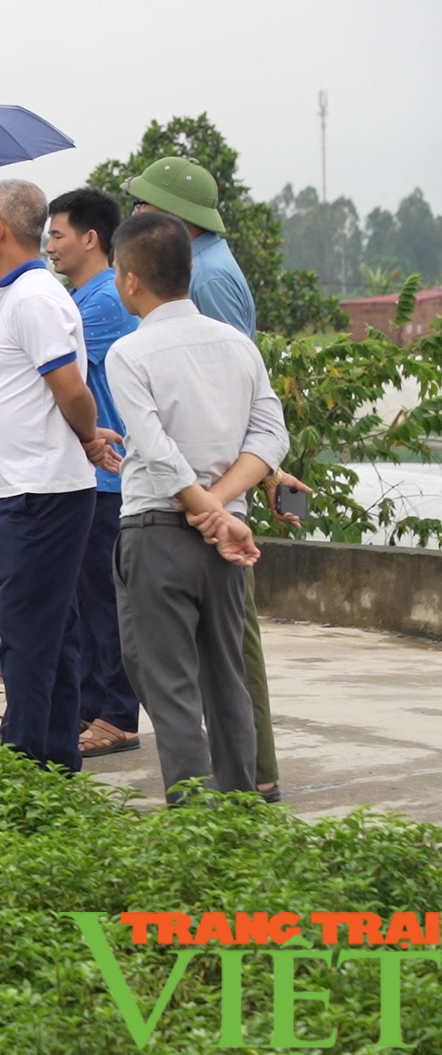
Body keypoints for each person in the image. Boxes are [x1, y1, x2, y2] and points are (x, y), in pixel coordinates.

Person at [126, 157, 300, 802]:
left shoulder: (211, 278)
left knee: (230, 657)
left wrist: (219, 504)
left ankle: (254, 775)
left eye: (144, 208)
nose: (135, 217)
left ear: (175, 219)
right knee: (217, 656)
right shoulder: (203, 265)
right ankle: (244, 776)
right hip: (212, 496)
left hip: (200, 502)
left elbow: (221, 393)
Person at [0, 179, 110, 771]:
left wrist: (86, 435)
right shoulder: (17, 296)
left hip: (43, 489)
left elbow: (72, 390)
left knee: (27, 629)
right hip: (30, 485)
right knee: (51, 627)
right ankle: (53, 753)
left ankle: (24, 757)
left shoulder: (33, 299)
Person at [46, 187, 143, 759]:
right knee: (84, 601)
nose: (51, 246)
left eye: (58, 235)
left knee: (105, 604)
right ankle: (89, 706)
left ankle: (117, 715)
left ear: (90, 239)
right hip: (90, 477)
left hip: (108, 477)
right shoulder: (84, 297)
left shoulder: (101, 302)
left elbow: (57, 377)